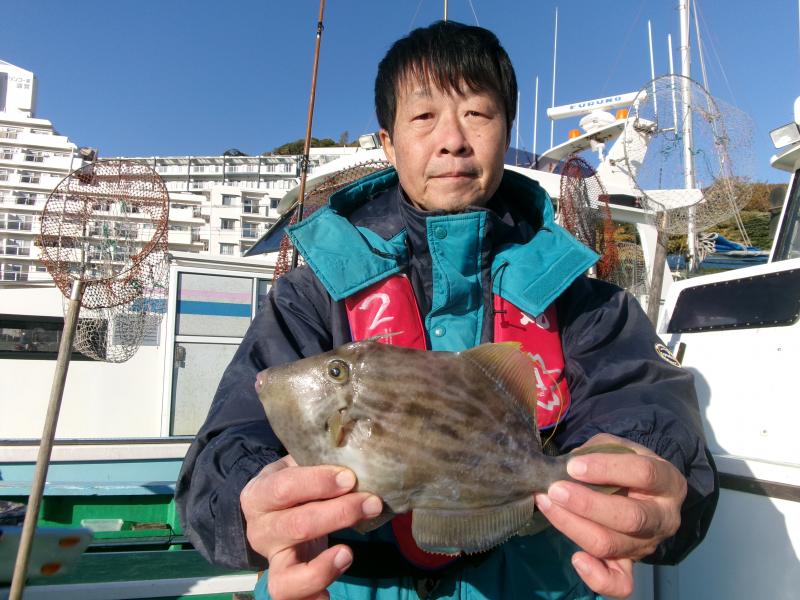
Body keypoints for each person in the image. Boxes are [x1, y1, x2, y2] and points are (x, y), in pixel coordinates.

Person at [176, 21, 718, 600]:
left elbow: (647, 410)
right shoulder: (309, 298)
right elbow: (224, 451)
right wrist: (248, 504)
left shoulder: (587, 303)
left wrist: (650, 478)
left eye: (478, 114)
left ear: (506, 130)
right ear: (388, 143)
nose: (452, 140)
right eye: (423, 116)